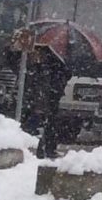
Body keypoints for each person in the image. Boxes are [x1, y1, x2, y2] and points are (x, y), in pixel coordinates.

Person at [12, 32, 70, 160]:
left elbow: (45, 86)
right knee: (34, 127)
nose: (35, 55)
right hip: (36, 103)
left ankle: (41, 150)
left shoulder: (49, 68)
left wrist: (44, 101)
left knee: (40, 127)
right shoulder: (32, 66)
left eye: (38, 52)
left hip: (42, 103)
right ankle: (37, 150)